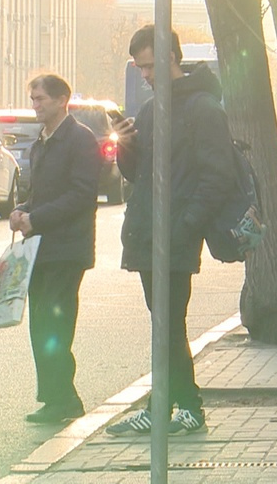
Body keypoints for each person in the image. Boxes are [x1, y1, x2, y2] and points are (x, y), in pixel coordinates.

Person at [106, 25, 232, 436]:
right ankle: (168, 408)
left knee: (169, 325)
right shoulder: (151, 109)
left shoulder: (203, 108)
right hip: (149, 232)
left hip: (174, 235)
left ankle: (182, 408)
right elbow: (137, 174)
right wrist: (125, 145)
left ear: (170, 58)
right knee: (164, 326)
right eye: (139, 67)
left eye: (148, 66)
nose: (144, 74)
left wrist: (184, 227)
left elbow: (217, 178)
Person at [10, 74, 102, 424]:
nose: (35, 105)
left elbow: (81, 195)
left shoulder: (79, 139)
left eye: (41, 99)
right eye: (32, 98)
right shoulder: (41, 141)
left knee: (57, 325)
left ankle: (66, 398)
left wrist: (38, 218)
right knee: (41, 324)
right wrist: (21, 210)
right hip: (40, 247)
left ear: (62, 99)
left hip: (66, 248)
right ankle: (53, 396)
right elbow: (39, 192)